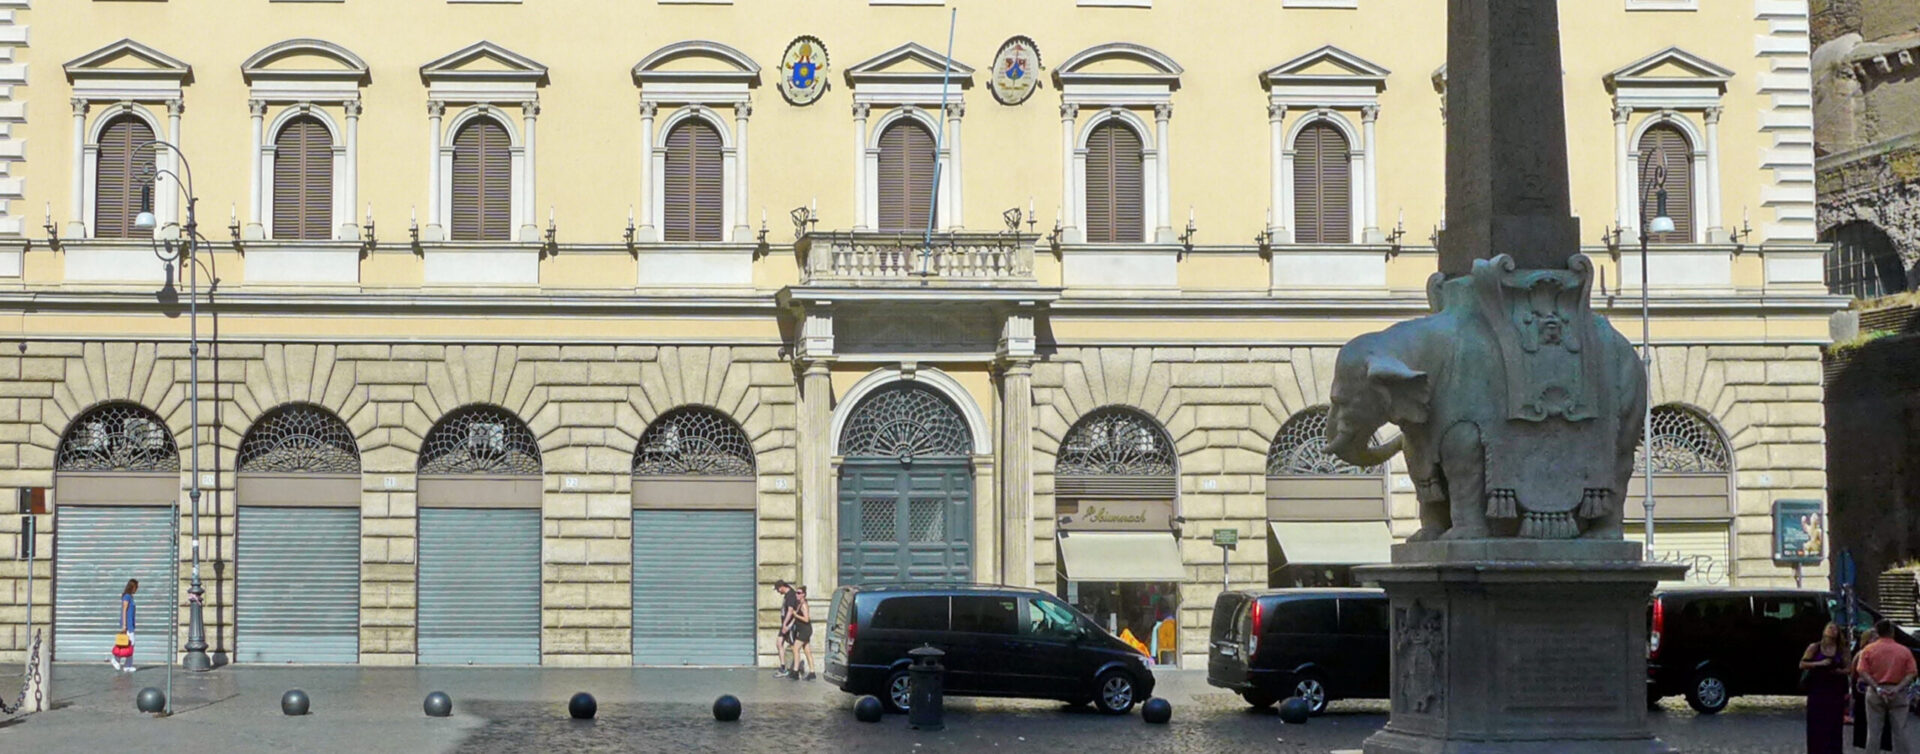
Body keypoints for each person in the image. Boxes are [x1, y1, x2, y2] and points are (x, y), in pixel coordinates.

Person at [1854, 619, 1916, 754]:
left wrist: (1876, 687)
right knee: (1900, 731)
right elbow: (1911, 673)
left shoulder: (1868, 650)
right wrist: (1898, 687)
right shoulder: (1904, 651)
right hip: (1898, 692)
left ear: (1877, 632)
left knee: (1874, 731)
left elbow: (1861, 670)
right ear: (1892, 632)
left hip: (1875, 691)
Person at [1800, 622, 1850, 754]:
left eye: (1835, 629)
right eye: (1830, 628)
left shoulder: (1842, 649)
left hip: (1835, 690)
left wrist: (1838, 670)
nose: (1833, 630)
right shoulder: (1815, 647)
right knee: (1816, 724)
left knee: (1834, 725)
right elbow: (1802, 664)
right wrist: (1819, 663)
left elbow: (1849, 668)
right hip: (1818, 689)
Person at [109, 579, 138, 673]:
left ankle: (127, 665)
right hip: (128, 625)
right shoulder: (127, 597)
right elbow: (124, 610)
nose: (136, 589)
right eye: (136, 587)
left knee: (128, 644)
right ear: (132, 587)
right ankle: (117, 660)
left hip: (131, 624)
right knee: (127, 644)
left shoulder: (130, 597)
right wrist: (124, 625)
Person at [790, 585, 816, 681]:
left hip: (805, 630)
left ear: (803, 595)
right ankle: (812, 672)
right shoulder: (799, 604)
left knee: (796, 648)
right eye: (796, 592)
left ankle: (795, 671)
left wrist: (796, 615)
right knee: (807, 651)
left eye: (799, 593)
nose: (797, 594)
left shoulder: (804, 605)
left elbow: (806, 619)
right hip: (803, 630)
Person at [773, 580, 797, 678]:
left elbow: (790, 611)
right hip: (784, 625)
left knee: (793, 646)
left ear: (782, 586)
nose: (778, 591)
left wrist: (785, 624)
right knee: (779, 643)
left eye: (778, 589)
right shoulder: (787, 595)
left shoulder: (791, 595)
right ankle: (783, 667)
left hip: (788, 625)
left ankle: (796, 668)